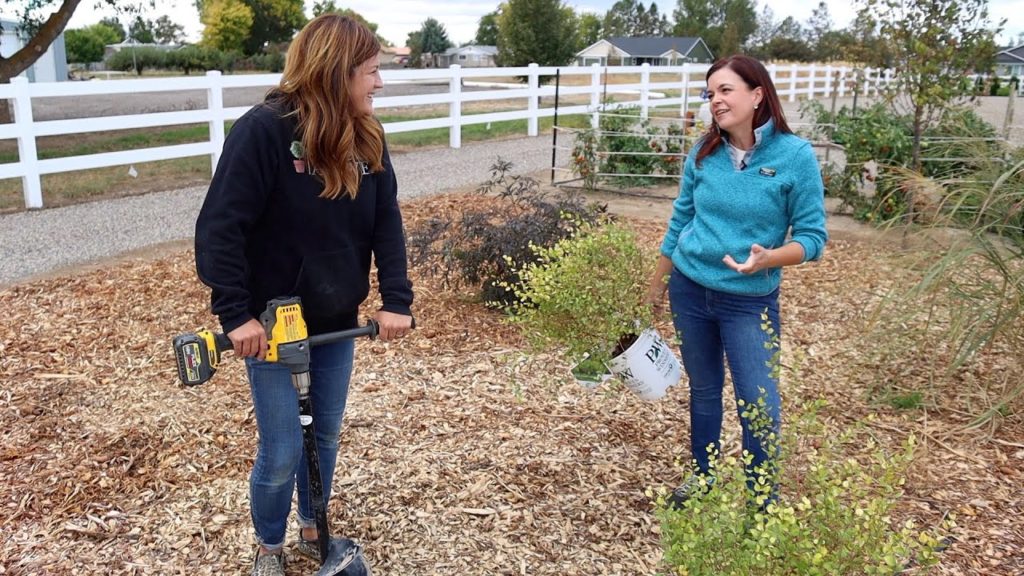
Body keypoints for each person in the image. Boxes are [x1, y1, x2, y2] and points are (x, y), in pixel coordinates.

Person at [194, 14, 414, 576]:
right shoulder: (264, 131)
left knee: (326, 434)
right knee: (283, 451)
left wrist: (396, 299)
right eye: (370, 72)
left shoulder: (367, 137)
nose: (378, 84)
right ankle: (270, 545)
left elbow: (386, 221)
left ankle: (315, 527)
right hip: (274, 325)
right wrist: (235, 314)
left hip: (337, 317)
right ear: (338, 72)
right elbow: (221, 228)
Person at [646, 55, 828, 508]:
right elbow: (679, 220)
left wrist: (770, 258)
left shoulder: (795, 157)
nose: (716, 101)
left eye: (725, 90)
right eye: (710, 94)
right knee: (705, 392)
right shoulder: (703, 154)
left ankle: (762, 501)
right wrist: (656, 285)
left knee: (758, 404)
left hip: (749, 301)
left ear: (757, 94)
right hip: (690, 290)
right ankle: (703, 478)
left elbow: (812, 238)